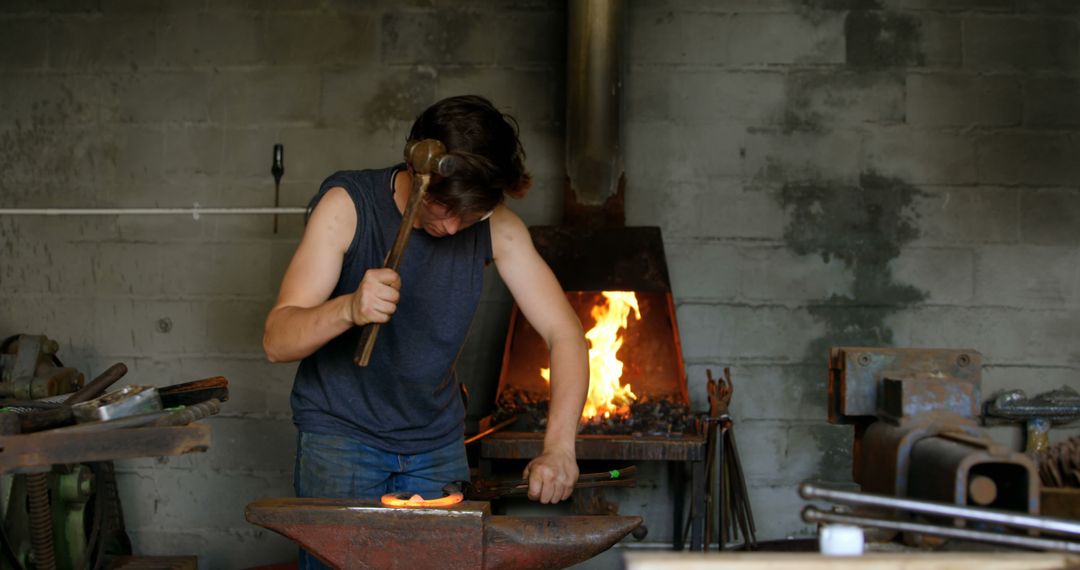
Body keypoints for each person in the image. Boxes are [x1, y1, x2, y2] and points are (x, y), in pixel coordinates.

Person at [262, 94, 588, 550]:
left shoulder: (499, 227)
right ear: (417, 172)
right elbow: (277, 340)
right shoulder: (347, 206)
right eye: (441, 208)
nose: (454, 228)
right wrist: (349, 308)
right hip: (342, 440)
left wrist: (559, 448)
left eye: (470, 214)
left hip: (437, 444)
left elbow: (565, 332)